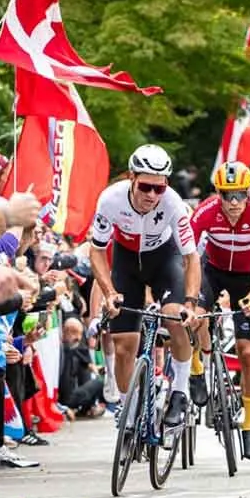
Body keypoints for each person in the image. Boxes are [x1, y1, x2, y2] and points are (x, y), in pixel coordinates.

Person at [88, 145, 199, 428]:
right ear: (131, 177)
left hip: (164, 261)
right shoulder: (110, 200)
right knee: (124, 345)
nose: (152, 195)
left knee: (175, 317)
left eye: (159, 188)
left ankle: (180, 391)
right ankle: (128, 407)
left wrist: (190, 303)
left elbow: (191, 257)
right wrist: (109, 292)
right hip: (126, 263)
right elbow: (97, 251)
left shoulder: (173, 203)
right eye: (146, 187)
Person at [190, 161, 250, 459]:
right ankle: (197, 368)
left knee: (247, 352)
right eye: (227, 196)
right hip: (211, 271)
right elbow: (187, 255)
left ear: (249, 192)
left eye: (240, 195)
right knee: (196, 317)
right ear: (218, 194)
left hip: (245, 278)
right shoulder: (205, 211)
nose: (234, 203)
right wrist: (189, 295)